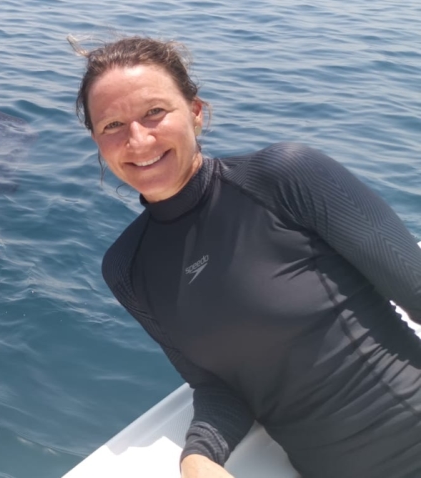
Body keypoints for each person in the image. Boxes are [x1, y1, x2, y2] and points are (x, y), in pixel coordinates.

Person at [72, 36, 421, 478]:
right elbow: (216, 386)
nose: (138, 139)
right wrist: (199, 457)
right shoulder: (127, 267)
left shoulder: (285, 177)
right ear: (97, 141)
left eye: (154, 112)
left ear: (195, 112)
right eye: (113, 125)